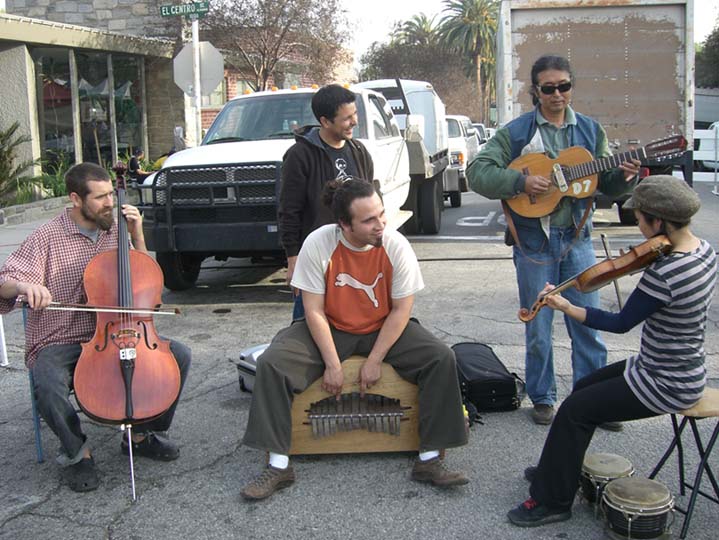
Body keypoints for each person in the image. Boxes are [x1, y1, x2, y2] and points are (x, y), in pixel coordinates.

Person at [506, 175, 716, 527]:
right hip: (678, 368)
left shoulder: (665, 272)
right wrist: (643, 262)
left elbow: (619, 323)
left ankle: (553, 501)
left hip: (664, 382)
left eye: (640, 218)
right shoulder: (703, 251)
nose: (637, 223)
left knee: (574, 410)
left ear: (659, 222)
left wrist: (566, 305)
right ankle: (557, 471)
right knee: (584, 388)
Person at [241, 178, 468, 500]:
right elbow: (313, 310)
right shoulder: (319, 243)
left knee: (440, 357)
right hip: (331, 325)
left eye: (381, 214)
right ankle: (278, 466)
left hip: (383, 325)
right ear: (344, 225)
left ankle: (429, 460)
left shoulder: (395, 244)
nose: (381, 224)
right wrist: (332, 365)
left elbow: (401, 310)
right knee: (273, 363)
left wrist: (375, 360)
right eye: (369, 220)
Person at [466, 54, 641, 426]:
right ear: (536, 91)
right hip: (535, 242)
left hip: (578, 239)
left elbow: (607, 185)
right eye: (549, 88)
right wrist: (521, 181)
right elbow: (477, 172)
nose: (557, 94)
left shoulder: (590, 132)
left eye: (564, 86)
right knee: (538, 325)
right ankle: (543, 397)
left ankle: (592, 401)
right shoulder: (517, 133)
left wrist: (626, 177)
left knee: (588, 323)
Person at [0, 163, 191, 493]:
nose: (110, 204)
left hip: (119, 331)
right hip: (62, 336)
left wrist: (137, 235)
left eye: (111, 195)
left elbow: (145, 278)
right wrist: (23, 287)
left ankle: (140, 435)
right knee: (47, 382)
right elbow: (4, 280)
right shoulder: (46, 237)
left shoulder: (115, 230)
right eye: (101, 197)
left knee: (179, 357)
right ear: (76, 199)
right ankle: (78, 452)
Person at [279, 84, 374, 320]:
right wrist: (293, 258)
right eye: (347, 118)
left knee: (354, 322)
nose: (354, 122)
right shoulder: (300, 155)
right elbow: (289, 210)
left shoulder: (359, 151)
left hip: (355, 257)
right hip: (316, 259)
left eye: (355, 114)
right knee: (309, 323)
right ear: (325, 121)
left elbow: (371, 202)